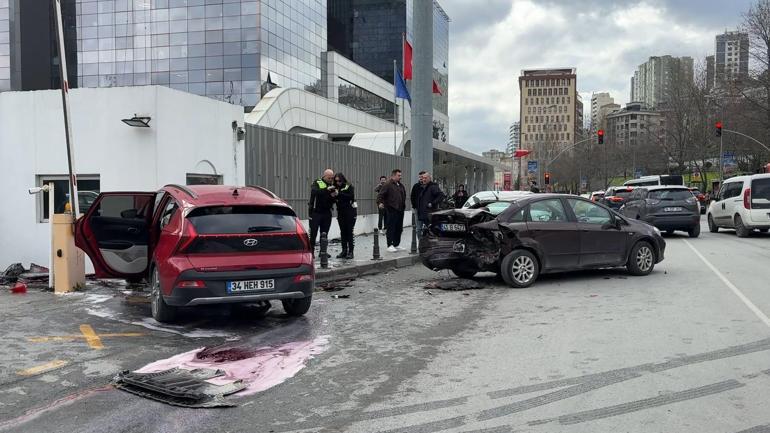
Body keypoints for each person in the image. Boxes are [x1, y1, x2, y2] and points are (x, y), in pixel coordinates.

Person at [377, 169, 407, 252]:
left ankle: (396, 244)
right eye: (399, 175)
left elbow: (403, 195)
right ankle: (389, 245)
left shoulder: (400, 185)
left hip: (400, 210)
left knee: (399, 228)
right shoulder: (388, 184)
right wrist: (380, 203)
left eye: (400, 175)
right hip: (391, 209)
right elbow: (380, 195)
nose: (400, 177)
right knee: (391, 228)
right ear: (393, 176)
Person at [308, 169, 337, 251]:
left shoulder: (332, 185)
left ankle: (323, 252)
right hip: (316, 212)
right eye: (329, 178)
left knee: (324, 233)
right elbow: (315, 192)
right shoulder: (317, 182)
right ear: (324, 176)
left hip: (327, 212)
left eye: (332, 178)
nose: (330, 180)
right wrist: (327, 189)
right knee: (313, 233)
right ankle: (311, 252)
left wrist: (335, 195)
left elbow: (333, 200)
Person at [411, 172, 445, 236]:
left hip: (429, 214)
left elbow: (441, 195)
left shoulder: (433, 186)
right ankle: (421, 242)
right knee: (420, 230)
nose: (423, 179)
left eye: (425, 178)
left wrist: (432, 203)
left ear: (430, 178)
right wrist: (415, 206)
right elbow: (413, 197)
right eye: (423, 178)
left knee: (430, 231)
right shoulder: (423, 186)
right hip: (421, 213)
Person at [334, 173, 357, 259]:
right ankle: (344, 250)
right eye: (336, 181)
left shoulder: (348, 186)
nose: (338, 182)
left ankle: (351, 251)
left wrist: (339, 194)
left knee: (349, 232)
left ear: (342, 179)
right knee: (343, 232)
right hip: (341, 212)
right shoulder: (335, 187)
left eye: (339, 181)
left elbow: (351, 196)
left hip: (350, 212)